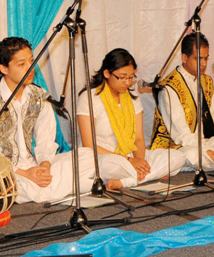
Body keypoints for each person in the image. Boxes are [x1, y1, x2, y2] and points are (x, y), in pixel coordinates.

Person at [0, 37, 95, 203]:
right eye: (21, 64)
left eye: (31, 61)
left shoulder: (39, 95)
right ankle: (62, 188)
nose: (30, 68)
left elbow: (46, 139)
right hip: (6, 172)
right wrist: (24, 173)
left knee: (88, 156)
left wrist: (44, 166)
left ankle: (37, 191)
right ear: (4, 68)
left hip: (34, 166)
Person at [77, 49, 185, 189]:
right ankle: (149, 174)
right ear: (107, 73)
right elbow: (89, 144)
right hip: (103, 158)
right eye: (122, 77)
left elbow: (139, 138)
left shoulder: (132, 97)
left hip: (131, 154)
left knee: (177, 157)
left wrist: (139, 161)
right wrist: (129, 161)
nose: (127, 82)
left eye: (131, 77)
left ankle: (125, 181)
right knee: (113, 167)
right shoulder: (89, 98)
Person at [151, 32, 214, 172]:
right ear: (184, 58)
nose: (204, 63)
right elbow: (183, 137)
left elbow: (213, 120)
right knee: (192, 154)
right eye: (198, 58)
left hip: (204, 142)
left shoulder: (207, 81)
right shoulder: (169, 88)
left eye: (206, 58)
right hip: (177, 146)